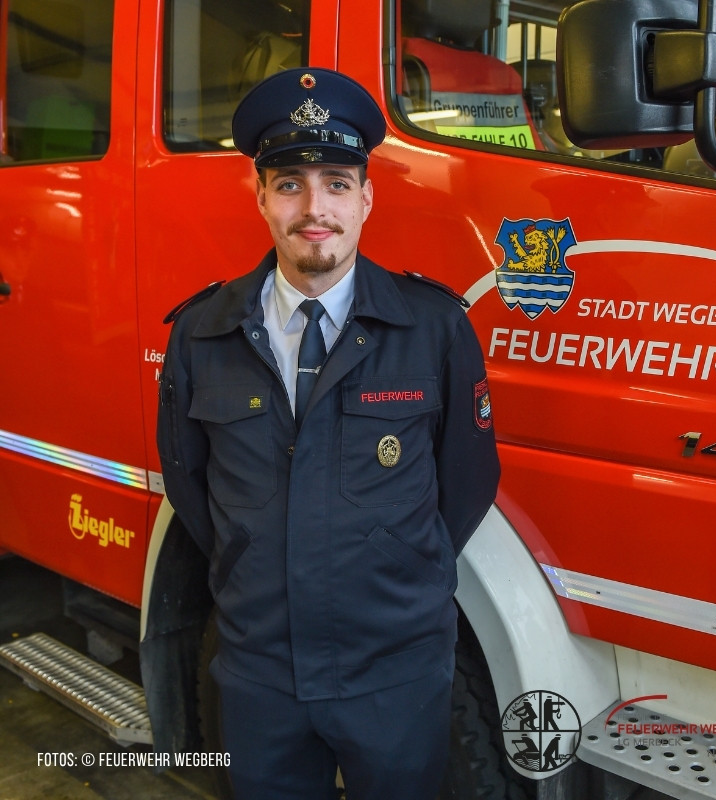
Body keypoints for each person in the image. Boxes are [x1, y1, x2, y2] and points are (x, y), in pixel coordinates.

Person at [157, 67, 500, 800]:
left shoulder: (434, 328)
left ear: (366, 197)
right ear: (260, 195)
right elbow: (190, 485)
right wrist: (252, 562)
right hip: (258, 673)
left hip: (395, 672)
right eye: (289, 184)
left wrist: (394, 570)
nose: (314, 209)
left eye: (337, 183)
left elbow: (467, 483)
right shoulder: (201, 333)